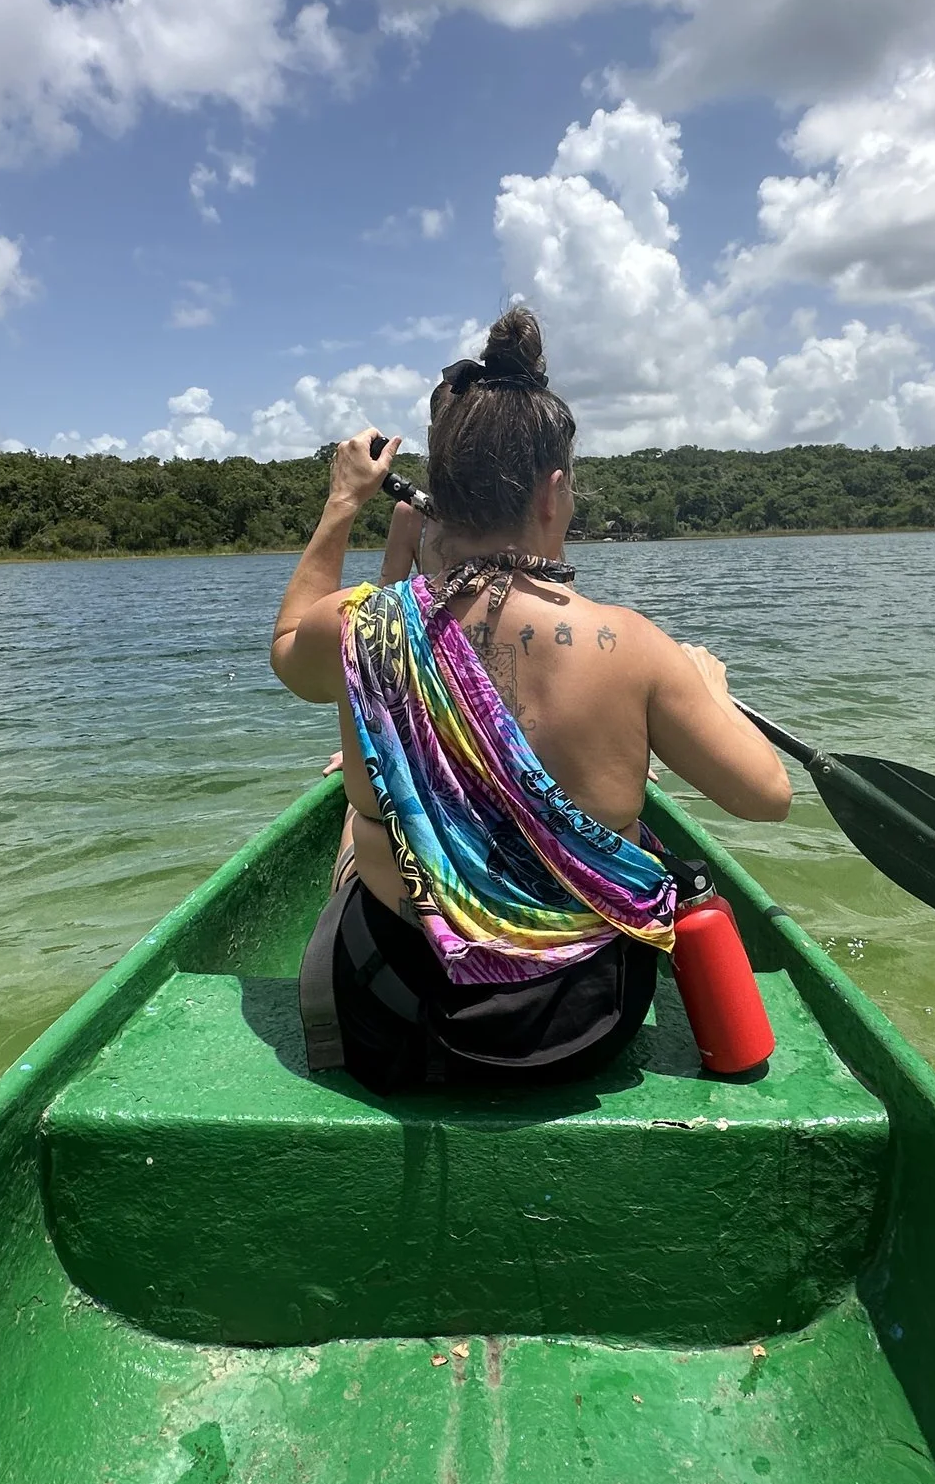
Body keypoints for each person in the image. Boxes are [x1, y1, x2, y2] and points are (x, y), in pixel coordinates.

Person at [268, 307, 791, 1091]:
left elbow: (287, 655)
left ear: (440, 495)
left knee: (359, 803)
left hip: (394, 1017)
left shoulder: (362, 626)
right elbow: (768, 795)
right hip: (580, 1027)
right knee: (621, 818)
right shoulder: (633, 646)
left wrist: (343, 499)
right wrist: (707, 693)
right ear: (553, 491)